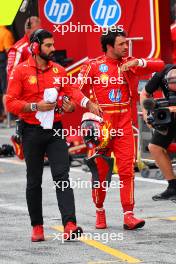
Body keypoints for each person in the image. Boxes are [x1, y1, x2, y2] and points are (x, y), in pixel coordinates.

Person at [6, 29, 100, 242]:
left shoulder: (59, 70)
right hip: (30, 132)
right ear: (36, 47)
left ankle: (70, 224)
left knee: (62, 177)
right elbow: (10, 103)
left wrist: (78, 104)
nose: (53, 49)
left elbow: (72, 94)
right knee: (33, 181)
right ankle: (37, 227)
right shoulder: (20, 71)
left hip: (56, 130)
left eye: (52, 45)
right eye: (48, 45)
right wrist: (34, 106)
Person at [79, 29, 164, 230]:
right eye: (122, 44)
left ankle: (129, 215)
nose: (126, 47)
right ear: (110, 46)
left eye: (127, 43)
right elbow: (74, 89)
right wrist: (87, 102)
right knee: (100, 172)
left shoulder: (130, 64)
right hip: (102, 128)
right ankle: (99, 210)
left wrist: (139, 62)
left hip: (125, 127)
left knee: (127, 172)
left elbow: (160, 65)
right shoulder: (93, 66)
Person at [140, 65, 176, 201]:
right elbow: (144, 93)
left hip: (172, 110)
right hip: (169, 114)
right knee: (155, 147)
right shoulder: (161, 75)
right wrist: (146, 114)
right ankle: (173, 187)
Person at [0, 26, 14, 120]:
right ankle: (9, 116)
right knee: (6, 88)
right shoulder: (5, 33)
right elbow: (9, 50)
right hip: (2, 60)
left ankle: (2, 115)